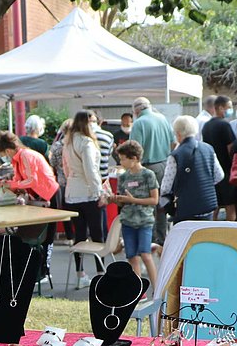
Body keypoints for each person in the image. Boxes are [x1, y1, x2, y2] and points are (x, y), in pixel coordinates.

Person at [62, 110, 106, 288]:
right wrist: (99, 191)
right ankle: (101, 272)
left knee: (79, 235)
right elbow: (91, 170)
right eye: (93, 121)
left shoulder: (68, 141)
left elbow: (66, 169)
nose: (94, 124)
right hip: (88, 192)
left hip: (72, 192)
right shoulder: (87, 143)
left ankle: (80, 273)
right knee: (97, 234)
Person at [111, 140, 158, 293]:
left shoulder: (148, 175)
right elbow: (121, 201)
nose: (121, 162)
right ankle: (139, 291)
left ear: (135, 158)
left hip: (144, 220)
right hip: (128, 220)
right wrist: (114, 199)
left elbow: (154, 200)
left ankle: (157, 288)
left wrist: (133, 200)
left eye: (124, 158)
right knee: (132, 257)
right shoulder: (123, 177)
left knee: (145, 253)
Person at [160, 115, 222, 224]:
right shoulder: (208, 149)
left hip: (186, 207)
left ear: (178, 133)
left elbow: (166, 186)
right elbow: (219, 175)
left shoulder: (176, 155)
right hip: (207, 204)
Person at [129, 98, 174, 246]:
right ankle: (161, 238)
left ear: (136, 111)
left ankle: (147, 240)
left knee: (145, 205)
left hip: (147, 167)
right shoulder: (162, 118)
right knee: (160, 204)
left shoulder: (139, 123)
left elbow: (134, 151)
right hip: (164, 164)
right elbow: (173, 142)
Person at [0, 132, 58, 204]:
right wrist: (5, 184)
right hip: (42, 195)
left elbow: (32, 181)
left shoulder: (26, 155)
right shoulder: (16, 160)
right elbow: (17, 180)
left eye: (2, 155)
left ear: (7, 151)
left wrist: (10, 185)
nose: (3, 158)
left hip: (51, 194)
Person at [200, 96, 237, 220]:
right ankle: (231, 232)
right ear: (220, 108)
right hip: (226, 171)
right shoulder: (224, 125)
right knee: (230, 206)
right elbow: (231, 148)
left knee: (214, 205)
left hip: (212, 171)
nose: (231, 110)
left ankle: (212, 230)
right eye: (229, 107)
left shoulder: (206, 126)